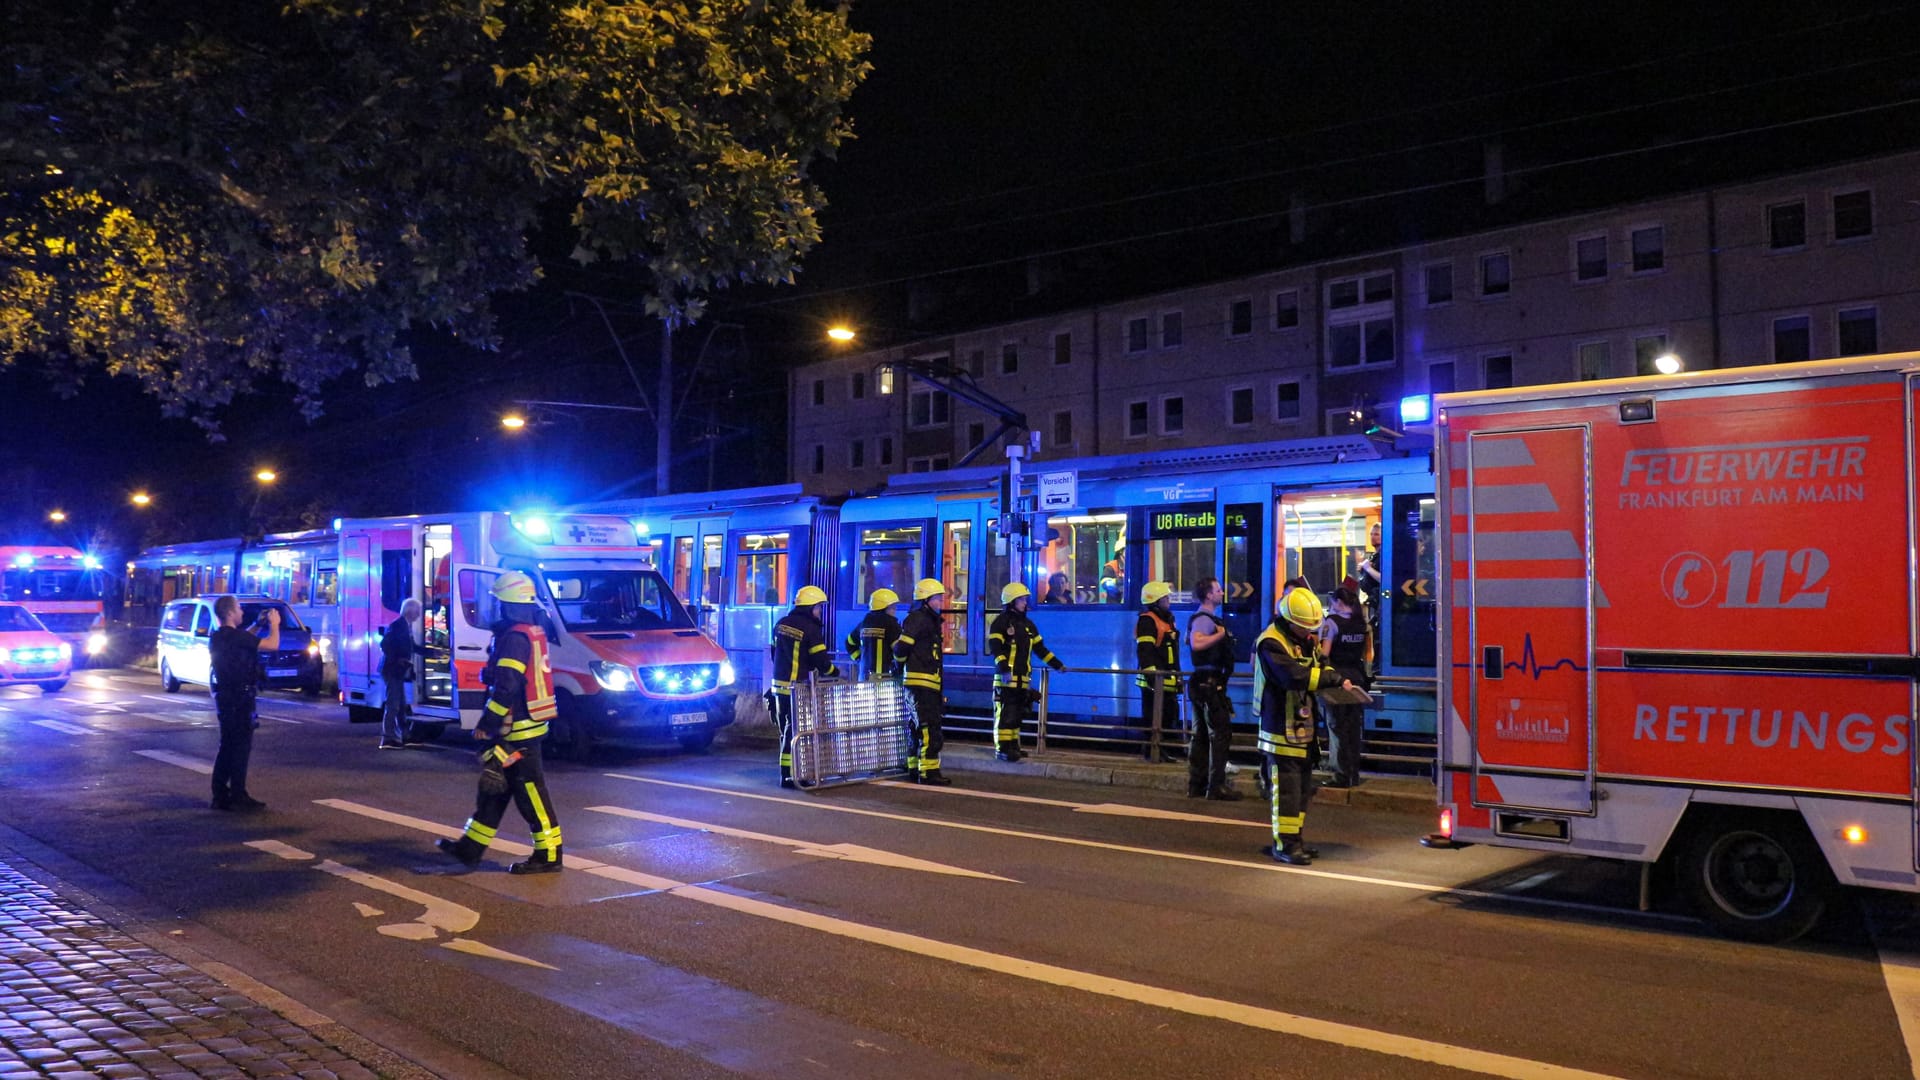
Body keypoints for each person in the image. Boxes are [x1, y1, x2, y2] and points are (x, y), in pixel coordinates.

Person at [436, 571, 565, 874]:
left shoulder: (514, 637)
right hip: (523, 724)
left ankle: (549, 856)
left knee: (530, 793)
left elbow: (507, 685)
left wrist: (489, 723)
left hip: (517, 729)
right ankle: (470, 848)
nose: (495, 607)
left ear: (507, 604)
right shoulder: (527, 631)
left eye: (498, 602)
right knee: (495, 788)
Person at [1255, 588, 1353, 865]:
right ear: (1289, 619)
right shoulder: (1270, 643)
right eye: (1304, 626)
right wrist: (1329, 679)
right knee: (1286, 792)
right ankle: (1284, 845)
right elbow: (1292, 676)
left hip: (1302, 728)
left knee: (1301, 790)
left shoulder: (1304, 640)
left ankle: (1296, 840)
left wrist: (1333, 674)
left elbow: (1320, 664)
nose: (1308, 632)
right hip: (1279, 728)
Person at [209, 596, 279, 811]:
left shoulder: (218, 637)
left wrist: (258, 624)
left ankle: (220, 794)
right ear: (230, 613)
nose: (241, 612)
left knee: (227, 745)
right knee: (240, 747)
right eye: (238, 609)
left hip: (225, 697)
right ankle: (239, 795)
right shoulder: (236, 637)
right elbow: (272, 645)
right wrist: (274, 625)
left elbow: (244, 638)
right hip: (240, 699)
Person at [988, 582, 1066, 762]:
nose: (1025, 602)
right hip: (1007, 679)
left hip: (1023, 679)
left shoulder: (1028, 625)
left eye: (1024, 599)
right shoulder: (1000, 623)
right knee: (1006, 716)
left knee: (1016, 716)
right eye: (1021, 599)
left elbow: (1040, 649)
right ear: (1011, 601)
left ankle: (1014, 746)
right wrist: (1004, 670)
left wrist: (1057, 665)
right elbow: (996, 648)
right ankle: (1003, 749)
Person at [770, 585, 838, 788]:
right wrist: (834, 672)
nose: (819, 611)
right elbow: (821, 661)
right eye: (818, 607)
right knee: (798, 732)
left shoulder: (781, 624)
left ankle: (787, 774)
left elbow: (774, 652)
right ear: (810, 607)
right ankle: (792, 776)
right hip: (797, 688)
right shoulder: (810, 628)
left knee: (786, 731)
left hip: (779, 686)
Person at [1185, 576, 1240, 800]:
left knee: (1200, 734)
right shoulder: (1204, 619)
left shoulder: (1207, 618)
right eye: (1218, 590)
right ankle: (1215, 786)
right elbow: (1197, 643)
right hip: (1208, 684)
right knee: (1220, 734)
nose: (1222, 593)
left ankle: (1197, 786)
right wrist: (1220, 635)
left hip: (1204, 683)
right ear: (1208, 595)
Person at [894, 578, 952, 785]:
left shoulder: (926, 620)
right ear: (925, 600)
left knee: (918, 727)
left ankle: (914, 768)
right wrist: (901, 666)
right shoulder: (919, 619)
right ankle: (928, 773)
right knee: (930, 729)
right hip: (922, 684)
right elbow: (900, 649)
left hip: (925, 683)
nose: (940, 603)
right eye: (936, 599)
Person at [1320, 585, 1374, 788]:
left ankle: (1340, 775)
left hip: (1338, 680)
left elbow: (1324, 653)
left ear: (1338, 602)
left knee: (1336, 727)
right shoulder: (1362, 623)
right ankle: (1353, 773)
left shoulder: (1331, 623)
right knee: (1353, 729)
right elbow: (1366, 655)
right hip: (1357, 680)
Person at [1134, 581, 1183, 762]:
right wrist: (1153, 678)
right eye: (1166, 597)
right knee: (1152, 718)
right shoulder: (1147, 620)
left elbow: (1172, 652)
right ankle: (1151, 752)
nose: (1168, 600)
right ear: (1156, 600)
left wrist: (1177, 677)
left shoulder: (1166, 619)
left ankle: (1160, 751)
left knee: (1166, 717)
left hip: (1167, 679)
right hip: (1153, 681)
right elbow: (1145, 651)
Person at [378, 599, 426, 749]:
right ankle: (387, 738)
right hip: (392, 670)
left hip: (396, 670)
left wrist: (432, 653)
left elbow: (412, 647)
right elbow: (384, 644)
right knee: (393, 704)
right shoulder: (398, 625)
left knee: (400, 704)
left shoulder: (405, 626)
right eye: (418, 611)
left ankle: (405, 735)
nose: (419, 615)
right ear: (410, 611)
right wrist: (398, 659)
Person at [846, 588, 902, 680]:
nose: (894, 611)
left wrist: (859, 658)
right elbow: (900, 650)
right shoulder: (891, 624)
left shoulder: (864, 624)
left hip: (864, 677)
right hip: (885, 677)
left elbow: (849, 643)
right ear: (884, 608)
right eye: (892, 607)